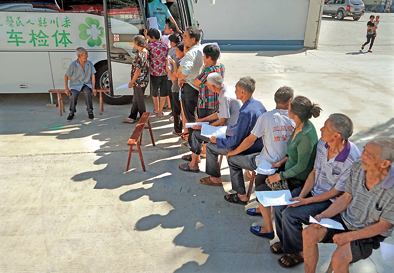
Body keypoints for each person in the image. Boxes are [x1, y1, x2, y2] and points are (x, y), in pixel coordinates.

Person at [272, 114, 361, 268]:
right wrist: (301, 195)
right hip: (314, 190)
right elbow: (314, 172)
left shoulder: (352, 159)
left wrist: (306, 201)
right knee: (280, 206)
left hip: (330, 200)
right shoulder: (322, 144)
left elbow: (336, 192)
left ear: (337, 135)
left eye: (325, 127)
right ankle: (288, 243)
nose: (320, 129)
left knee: (290, 214)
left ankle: (298, 252)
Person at [303, 138, 394, 273]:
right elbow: (346, 198)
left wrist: (349, 237)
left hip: (369, 232)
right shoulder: (357, 167)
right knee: (309, 233)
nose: (362, 156)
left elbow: (384, 225)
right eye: (364, 150)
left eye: (369, 155)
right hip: (346, 219)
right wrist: (323, 216)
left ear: (384, 163)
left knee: (339, 258)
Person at [249, 96, 321, 239]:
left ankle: (274, 232)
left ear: (295, 113)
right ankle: (264, 212)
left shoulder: (306, 135)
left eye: (289, 108)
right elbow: (293, 153)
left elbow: (302, 166)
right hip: (288, 170)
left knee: (267, 193)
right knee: (261, 180)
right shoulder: (298, 126)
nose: (287, 109)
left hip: (297, 179)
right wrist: (281, 161)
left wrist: (279, 176)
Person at [225, 86, 295, 203]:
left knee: (232, 160)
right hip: (287, 162)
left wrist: (232, 153)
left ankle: (241, 195)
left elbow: (250, 140)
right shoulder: (295, 119)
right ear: (290, 101)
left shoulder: (266, 117)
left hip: (268, 162)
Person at [199, 76, 266, 186]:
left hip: (249, 148)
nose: (234, 91)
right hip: (259, 144)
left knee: (211, 147)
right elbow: (241, 129)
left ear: (243, 92)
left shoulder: (245, 112)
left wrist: (219, 141)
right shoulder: (258, 105)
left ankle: (215, 178)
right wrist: (227, 131)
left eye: (236, 89)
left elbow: (236, 141)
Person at [179, 72, 241, 173]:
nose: (207, 87)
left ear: (213, 86)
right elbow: (219, 114)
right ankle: (195, 157)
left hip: (229, 133)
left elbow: (222, 120)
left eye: (207, 85)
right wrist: (202, 121)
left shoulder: (224, 96)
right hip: (229, 129)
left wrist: (206, 127)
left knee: (195, 134)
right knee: (198, 129)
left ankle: (193, 164)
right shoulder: (224, 90)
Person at [178, 27, 204, 126]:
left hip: (190, 87)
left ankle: (193, 139)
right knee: (198, 116)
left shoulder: (191, 53)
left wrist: (180, 76)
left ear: (193, 39)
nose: (183, 38)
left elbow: (185, 71)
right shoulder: (202, 49)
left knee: (190, 118)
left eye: (185, 36)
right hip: (199, 87)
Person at [64, 47, 96, 121]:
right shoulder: (73, 64)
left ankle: (90, 111)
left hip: (86, 84)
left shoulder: (89, 63)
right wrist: (66, 88)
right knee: (73, 96)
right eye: (84, 56)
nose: (86, 57)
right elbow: (66, 76)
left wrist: (93, 88)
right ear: (79, 56)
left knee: (88, 92)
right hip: (75, 84)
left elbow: (93, 76)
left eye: (86, 55)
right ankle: (71, 112)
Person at [123, 35, 149, 124]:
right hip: (144, 79)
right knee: (136, 99)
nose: (133, 45)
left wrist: (132, 82)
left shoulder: (140, 55)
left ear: (138, 43)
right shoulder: (145, 51)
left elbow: (138, 71)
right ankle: (132, 116)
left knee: (139, 100)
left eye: (134, 43)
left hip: (139, 81)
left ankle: (143, 119)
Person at [146, 28, 169, 117]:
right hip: (164, 72)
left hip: (154, 73)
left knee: (154, 92)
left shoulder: (150, 46)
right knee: (163, 92)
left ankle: (156, 109)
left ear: (152, 37)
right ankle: (160, 111)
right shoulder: (165, 45)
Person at [167, 39, 184, 135]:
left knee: (177, 111)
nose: (175, 52)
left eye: (177, 51)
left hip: (177, 89)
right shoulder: (182, 60)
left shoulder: (179, 61)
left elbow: (173, 77)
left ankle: (178, 130)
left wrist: (171, 65)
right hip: (179, 89)